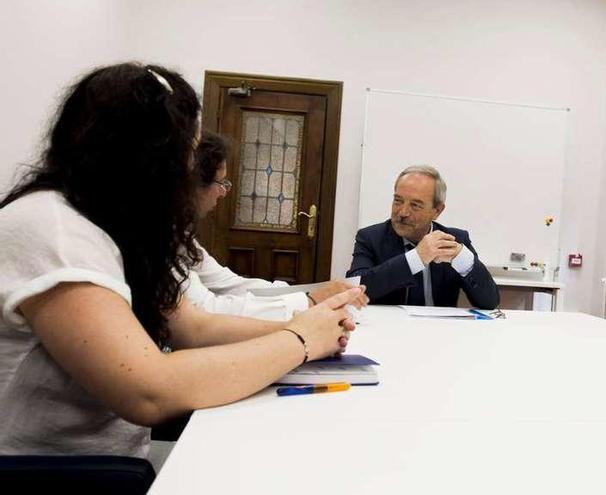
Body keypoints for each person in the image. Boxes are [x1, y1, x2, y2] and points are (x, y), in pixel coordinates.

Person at [0, 63, 363, 458]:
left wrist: (304, 325)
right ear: (152, 159)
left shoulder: (115, 224)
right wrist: (300, 341)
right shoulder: (53, 227)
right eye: (185, 155)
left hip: (109, 460)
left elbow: (194, 327)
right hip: (50, 472)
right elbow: (148, 391)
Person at [186, 130, 366, 320]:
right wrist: (309, 301)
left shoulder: (181, 236)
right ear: (194, 182)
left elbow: (230, 284)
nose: (223, 192)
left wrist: (313, 294)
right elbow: (205, 311)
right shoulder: (161, 236)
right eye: (221, 183)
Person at [346, 165, 499, 309]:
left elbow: (489, 302)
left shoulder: (454, 240)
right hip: (390, 331)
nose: (403, 212)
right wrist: (416, 258)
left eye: (415, 205)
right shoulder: (370, 238)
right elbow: (354, 291)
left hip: (441, 332)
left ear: (437, 210)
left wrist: (463, 258)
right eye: (398, 201)